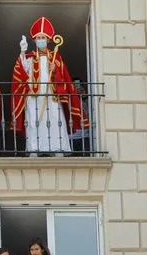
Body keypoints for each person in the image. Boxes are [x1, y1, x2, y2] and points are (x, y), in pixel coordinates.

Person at [10, 17, 89, 155]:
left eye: (43, 37)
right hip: (34, 97)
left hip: (52, 96)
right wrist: (22, 51)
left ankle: (58, 149)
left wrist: (56, 69)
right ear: (34, 40)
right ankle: (34, 149)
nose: (40, 39)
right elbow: (21, 70)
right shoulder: (29, 57)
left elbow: (64, 77)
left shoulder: (55, 57)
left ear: (48, 40)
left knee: (55, 120)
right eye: (38, 37)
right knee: (34, 122)